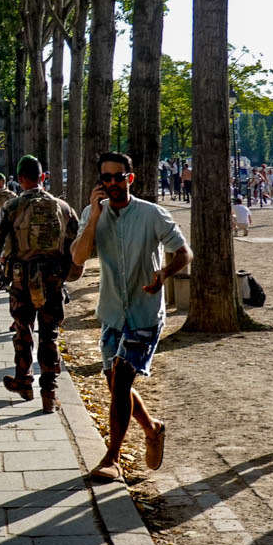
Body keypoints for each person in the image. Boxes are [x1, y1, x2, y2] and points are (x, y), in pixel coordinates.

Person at [70, 152, 192, 481]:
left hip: (144, 313)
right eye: (106, 177)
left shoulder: (152, 214)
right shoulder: (92, 214)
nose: (112, 182)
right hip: (112, 313)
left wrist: (164, 274)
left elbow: (185, 252)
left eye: (118, 176)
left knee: (122, 380)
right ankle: (152, 428)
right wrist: (94, 219)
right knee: (115, 386)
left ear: (130, 178)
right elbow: (78, 258)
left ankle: (112, 458)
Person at [0, 157, 79, 413]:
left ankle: (24, 381)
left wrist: (3, 267)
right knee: (49, 334)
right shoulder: (63, 207)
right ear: (43, 177)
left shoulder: (12, 206)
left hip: (21, 279)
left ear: (20, 179)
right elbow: (75, 243)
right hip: (53, 280)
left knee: (23, 331)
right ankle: (49, 392)